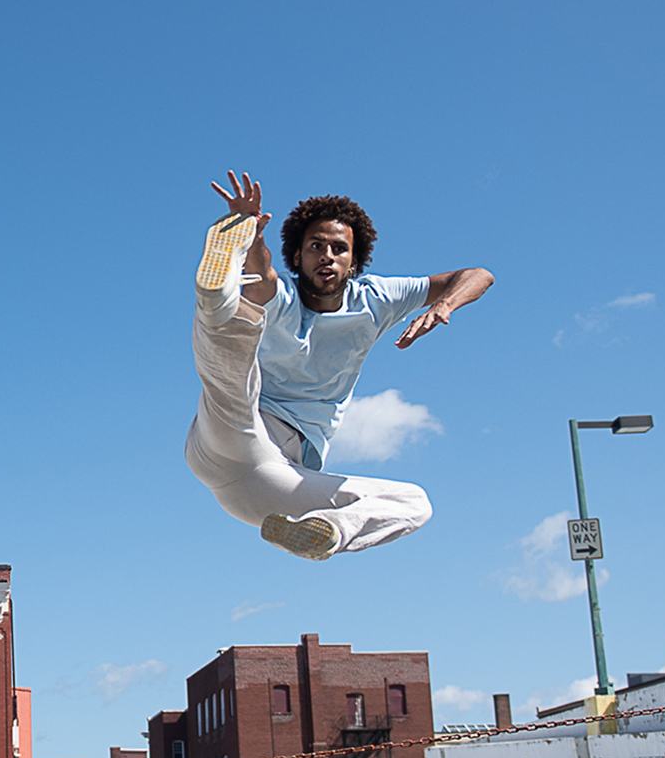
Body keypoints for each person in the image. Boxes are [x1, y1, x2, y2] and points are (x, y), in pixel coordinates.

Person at [188, 171, 492, 560]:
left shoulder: (377, 298)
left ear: (354, 261)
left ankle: (326, 530)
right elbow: (263, 275)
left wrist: (445, 305)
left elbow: (477, 275)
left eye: (338, 249)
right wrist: (252, 233)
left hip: (276, 482)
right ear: (297, 257)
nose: (327, 256)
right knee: (230, 357)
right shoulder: (281, 296)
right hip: (239, 427)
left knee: (415, 503)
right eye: (315, 246)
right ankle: (215, 292)